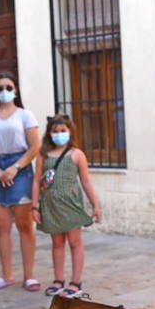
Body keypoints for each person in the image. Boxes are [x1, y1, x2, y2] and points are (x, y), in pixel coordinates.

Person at [0, 72, 42, 291]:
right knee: (1, 225)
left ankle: (29, 275)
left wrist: (15, 168)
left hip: (20, 168)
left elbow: (34, 147)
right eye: (0, 87)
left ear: (16, 90)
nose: (4, 91)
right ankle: (7, 274)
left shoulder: (25, 115)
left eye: (8, 87)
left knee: (24, 225)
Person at [32, 113, 100, 298]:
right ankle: (58, 279)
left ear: (70, 132)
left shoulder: (77, 155)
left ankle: (76, 282)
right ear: (49, 134)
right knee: (57, 243)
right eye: (55, 131)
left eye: (63, 130)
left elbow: (86, 182)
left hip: (70, 204)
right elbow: (37, 181)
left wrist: (96, 205)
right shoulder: (42, 155)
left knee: (75, 242)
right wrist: (34, 206)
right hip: (50, 205)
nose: (59, 134)